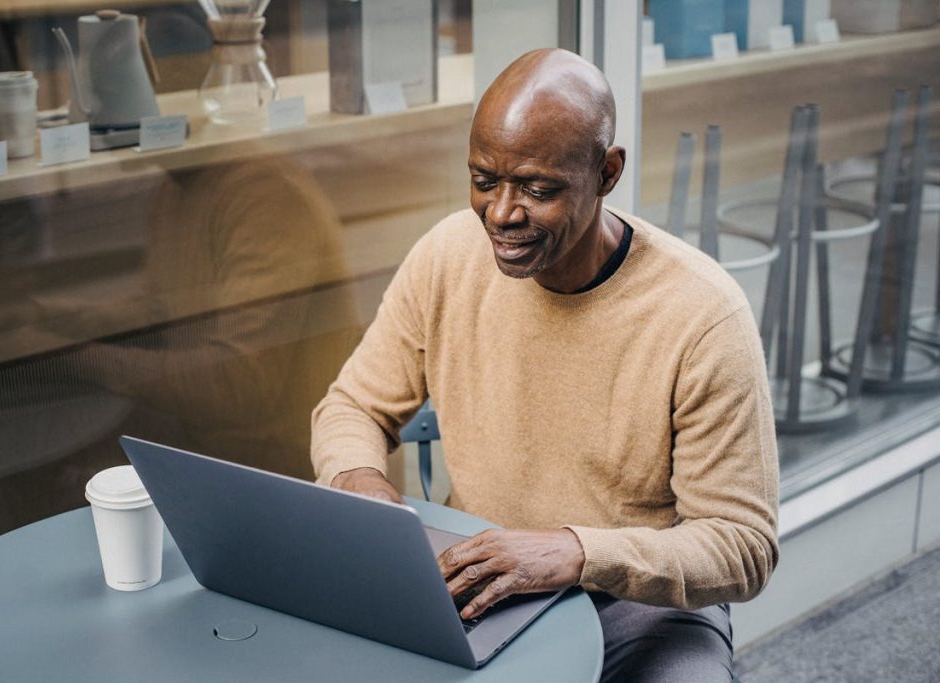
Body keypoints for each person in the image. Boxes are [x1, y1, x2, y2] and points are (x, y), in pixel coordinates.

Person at [311, 48, 778, 682]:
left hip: (637, 605)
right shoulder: (448, 255)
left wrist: (577, 551)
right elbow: (353, 407)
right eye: (483, 180)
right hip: (474, 582)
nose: (501, 214)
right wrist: (358, 483)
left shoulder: (702, 315)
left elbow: (741, 546)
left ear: (607, 173)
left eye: (537, 188)